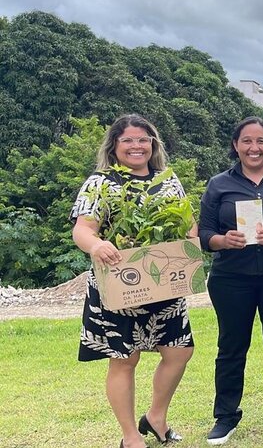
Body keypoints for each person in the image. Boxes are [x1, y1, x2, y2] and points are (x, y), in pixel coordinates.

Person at [71, 114, 195, 448]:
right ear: (114, 145)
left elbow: (187, 225)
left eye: (143, 139)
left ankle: (155, 417)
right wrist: (97, 245)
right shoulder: (100, 183)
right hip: (119, 282)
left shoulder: (167, 180)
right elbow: (82, 229)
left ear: (153, 144)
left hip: (164, 282)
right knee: (125, 359)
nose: (136, 146)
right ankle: (130, 436)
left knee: (180, 352)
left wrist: (197, 244)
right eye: (128, 140)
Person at [200, 117, 263, 445]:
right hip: (230, 278)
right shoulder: (219, 184)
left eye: (260, 141)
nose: (254, 148)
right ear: (235, 145)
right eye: (247, 141)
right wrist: (221, 240)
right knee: (231, 346)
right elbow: (203, 234)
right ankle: (226, 415)